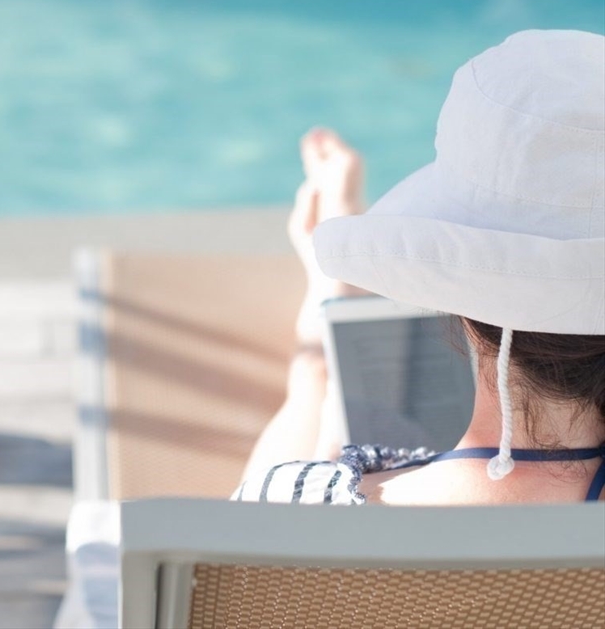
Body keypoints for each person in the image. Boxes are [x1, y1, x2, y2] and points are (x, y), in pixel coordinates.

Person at [234, 29, 605, 506]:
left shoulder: (288, 507)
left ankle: (323, 341)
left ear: (468, 300)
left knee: (318, 415)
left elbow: (248, 520)